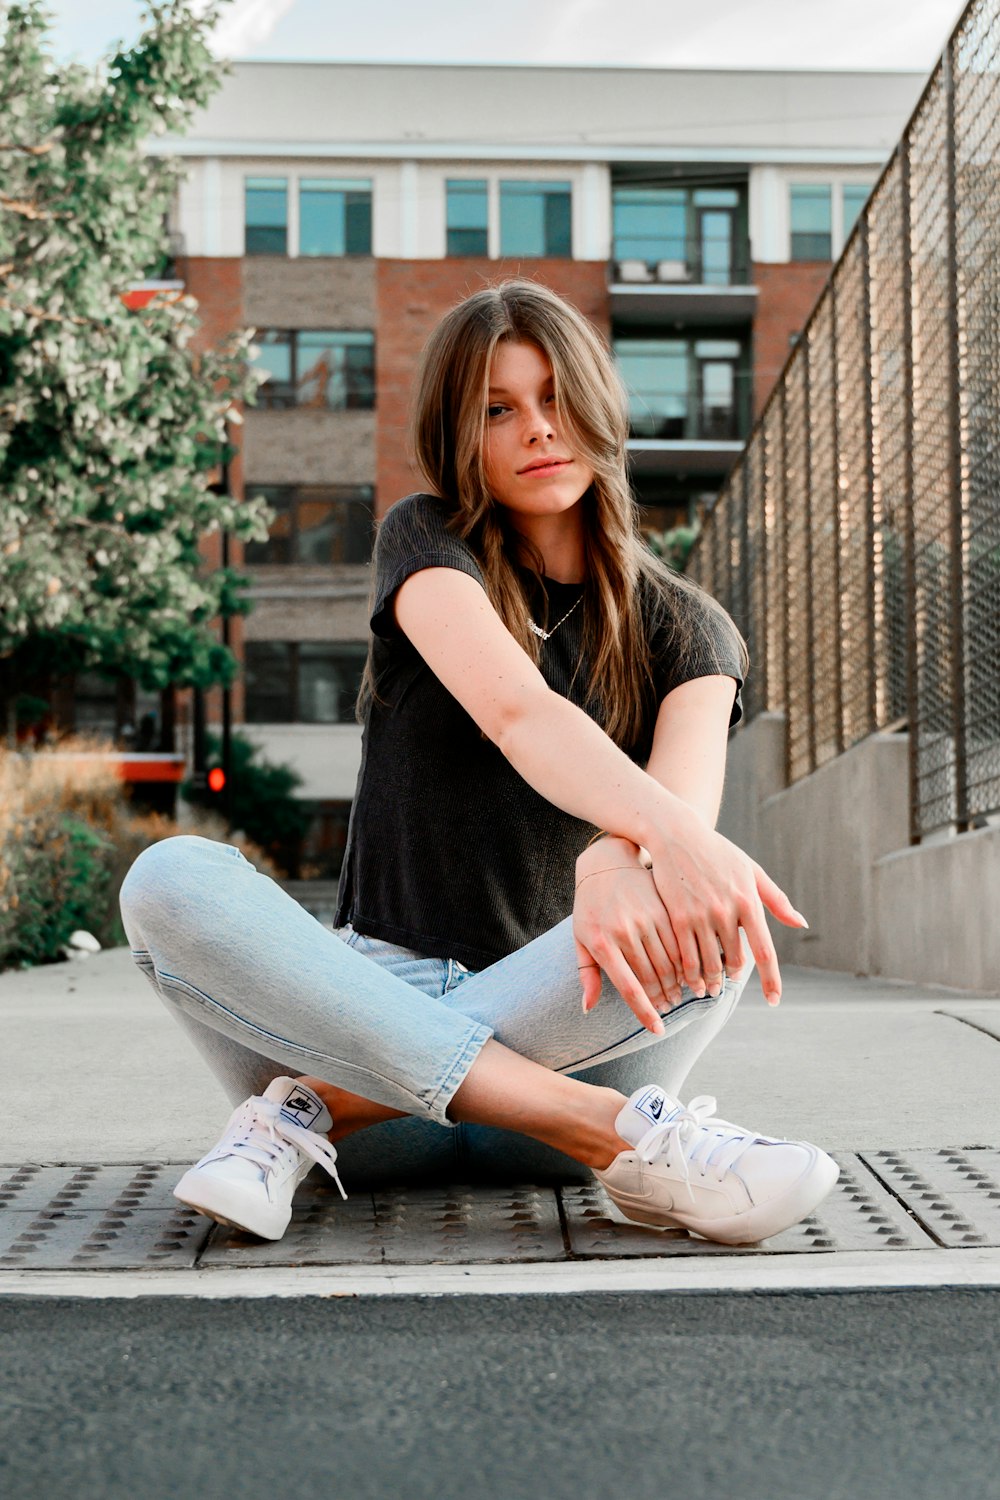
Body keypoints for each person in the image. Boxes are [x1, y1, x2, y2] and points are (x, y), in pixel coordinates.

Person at [120, 279, 837, 1246]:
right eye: (499, 409)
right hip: (379, 1018)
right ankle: (623, 1143)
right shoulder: (427, 542)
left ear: (597, 404)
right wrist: (650, 839)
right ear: (462, 434)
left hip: (560, 1035)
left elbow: (684, 810)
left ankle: (295, 1114)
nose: (538, 429)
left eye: (555, 398)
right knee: (170, 877)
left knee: (705, 909)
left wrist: (624, 855)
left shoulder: (690, 628)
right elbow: (518, 710)